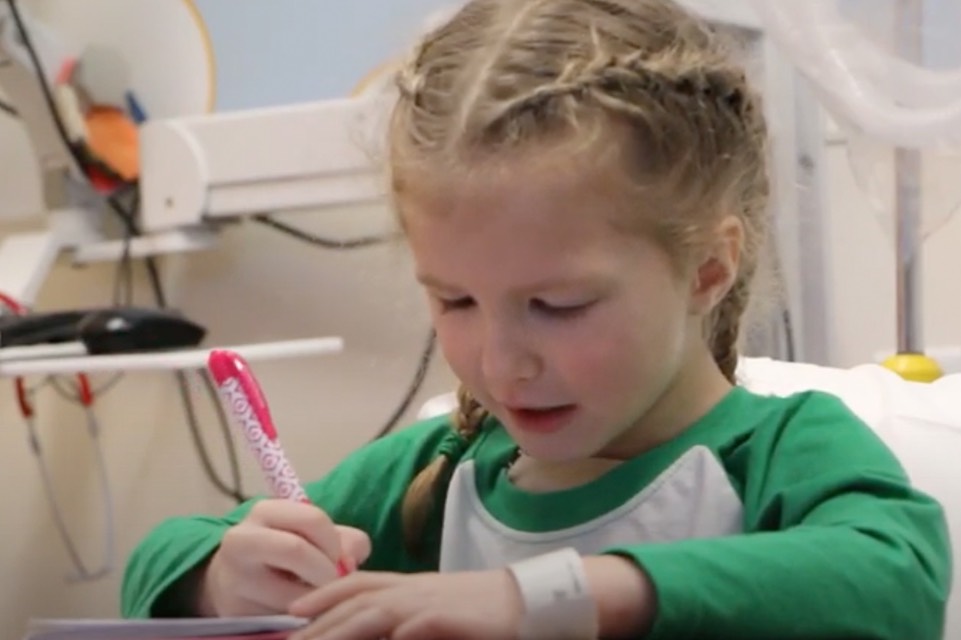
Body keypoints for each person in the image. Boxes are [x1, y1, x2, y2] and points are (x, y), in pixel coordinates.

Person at [120, 0, 951, 638]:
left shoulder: (779, 453)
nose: (501, 361)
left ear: (706, 267)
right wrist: (224, 579)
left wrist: (540, 600)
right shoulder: (436, 473)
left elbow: (895, 575)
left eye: (556, 307)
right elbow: (159, 560)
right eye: (454, 301)